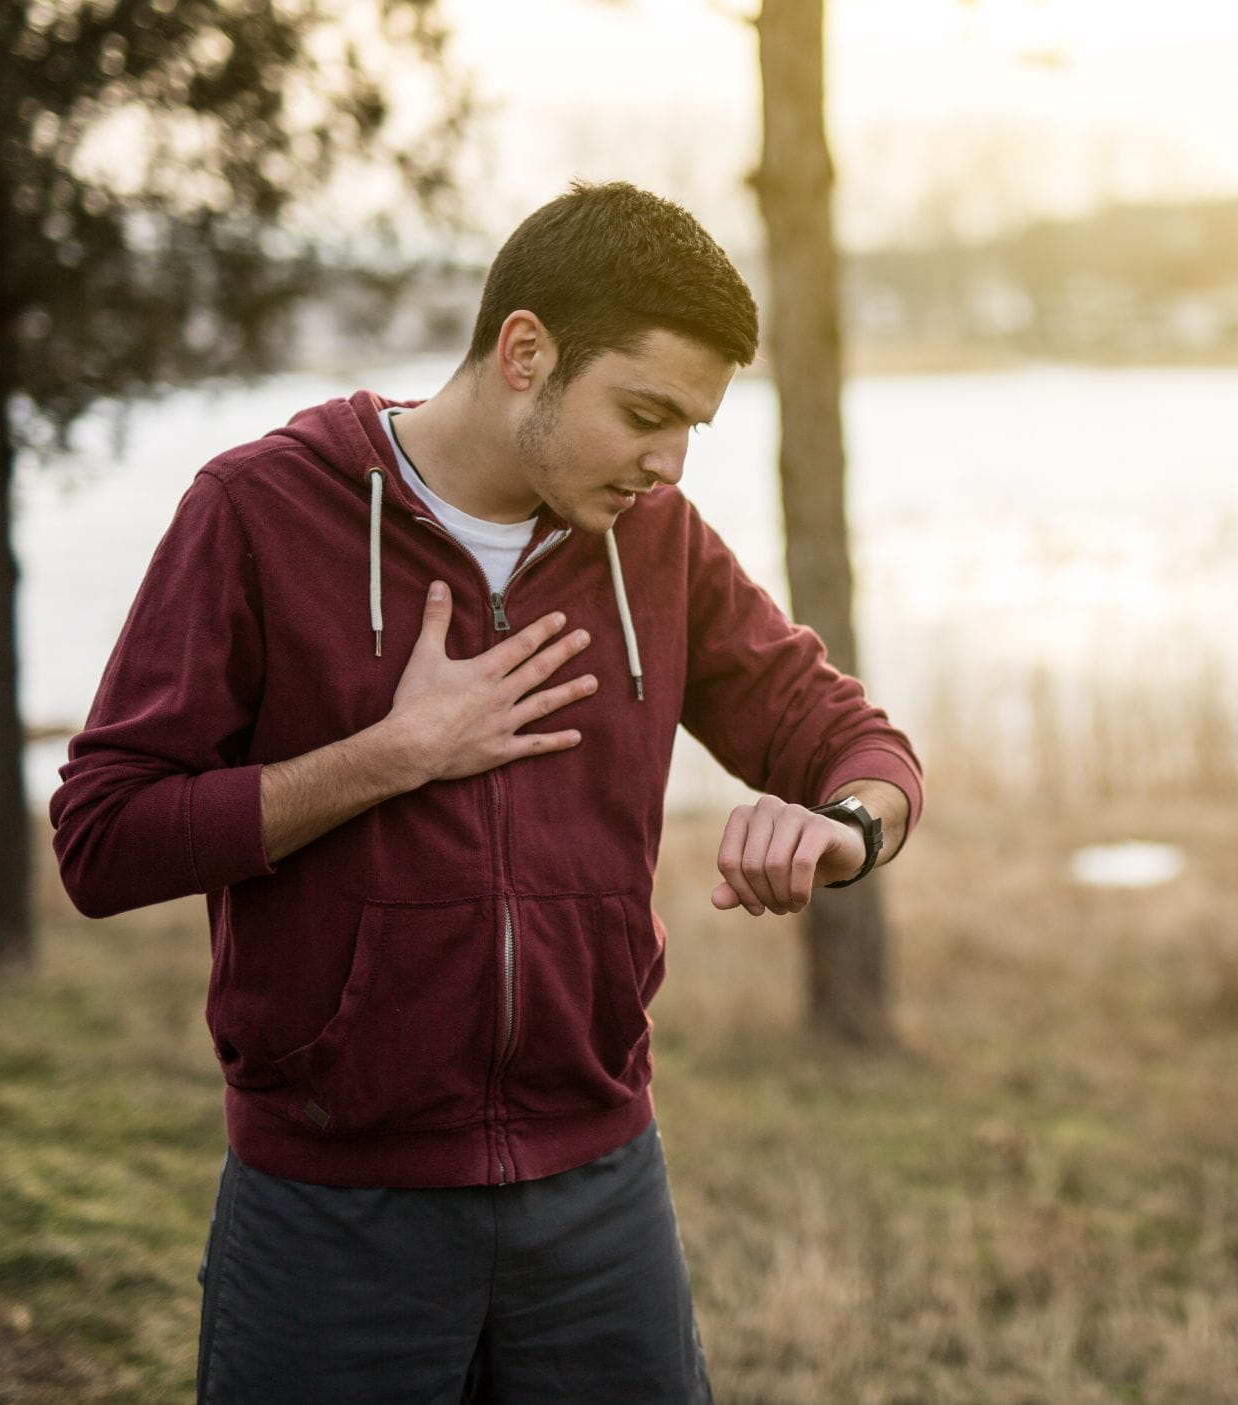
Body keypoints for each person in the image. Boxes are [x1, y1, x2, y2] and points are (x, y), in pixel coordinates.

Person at [48, 181, 921, 1403]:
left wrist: (843, 829)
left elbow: (851, 736)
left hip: (600, 1193)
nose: (667, 464)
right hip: (334, 1207)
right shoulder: (260, 511)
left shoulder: (654, 540)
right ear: (526, 353)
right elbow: (102, 838)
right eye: (644, 414)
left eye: (692, 432)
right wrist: (389, 754)